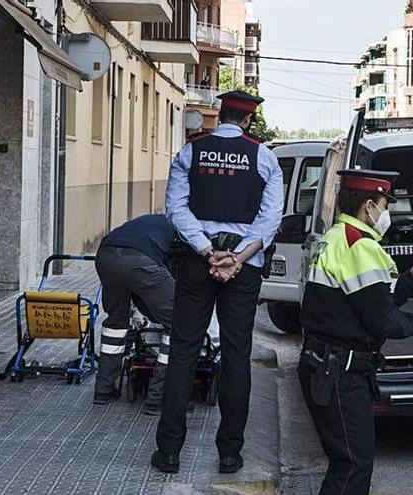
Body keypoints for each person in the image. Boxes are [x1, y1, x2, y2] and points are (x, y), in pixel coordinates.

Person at [152, 90, 283, 474]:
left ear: (220, 115)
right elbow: (269, 219)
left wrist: (207, 251)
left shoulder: (191, 151)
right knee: (236, 355)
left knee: (183, 351)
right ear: (247, 120)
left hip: (197, 264)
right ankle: (229, 453)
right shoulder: (264, 156)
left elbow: (175, 208)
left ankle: (170, 451)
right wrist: (237, 258)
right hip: (244, 268)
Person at [298, 169, 413, 495]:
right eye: (385, 205)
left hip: (325, 366)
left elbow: (369, 299)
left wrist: (408, 279)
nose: (386, 212)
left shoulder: (335, 236)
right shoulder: (360, 247)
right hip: (338, 374)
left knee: (347, 462)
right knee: (352, 466)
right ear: (368, 206)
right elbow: (382, 320)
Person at [93, 213, 175, 416]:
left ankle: (104, 389)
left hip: (106, 257)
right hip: (141, 261)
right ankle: (158, 397)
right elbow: (172, 274)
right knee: (179, 323)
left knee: (115, 324)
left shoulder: (154, 221)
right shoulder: (184, 230)